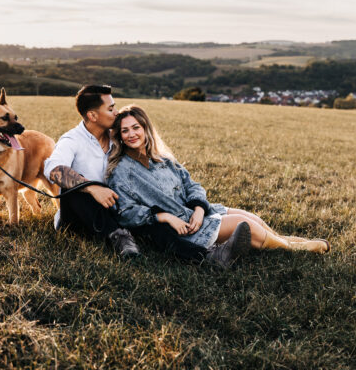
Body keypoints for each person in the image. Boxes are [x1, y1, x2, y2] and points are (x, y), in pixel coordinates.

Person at [44, 85, 249, 265]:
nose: (116, 112)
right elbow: (53, 169)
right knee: (75, 188)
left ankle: (209, 257)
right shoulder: (72, 140)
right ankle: (119, 237)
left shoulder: (118, 136)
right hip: (82, 218)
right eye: (110, 108)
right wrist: (92, 187)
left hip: (118, 211)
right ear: (92, 115)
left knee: (154, 222)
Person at [106, 105, 331, 255]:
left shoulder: (161, 159)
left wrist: (200, 209)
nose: (131, 134)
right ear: (120, 136)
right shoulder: (122, 172)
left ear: (145, 129)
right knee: (247, 227)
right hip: (184, 228)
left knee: (250, 216)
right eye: (125, 131)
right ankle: (292, 249)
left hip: (197, 215)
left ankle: (287, 240)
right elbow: (125, 213)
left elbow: (191, 184)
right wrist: (163, 217)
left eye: (136, 127)